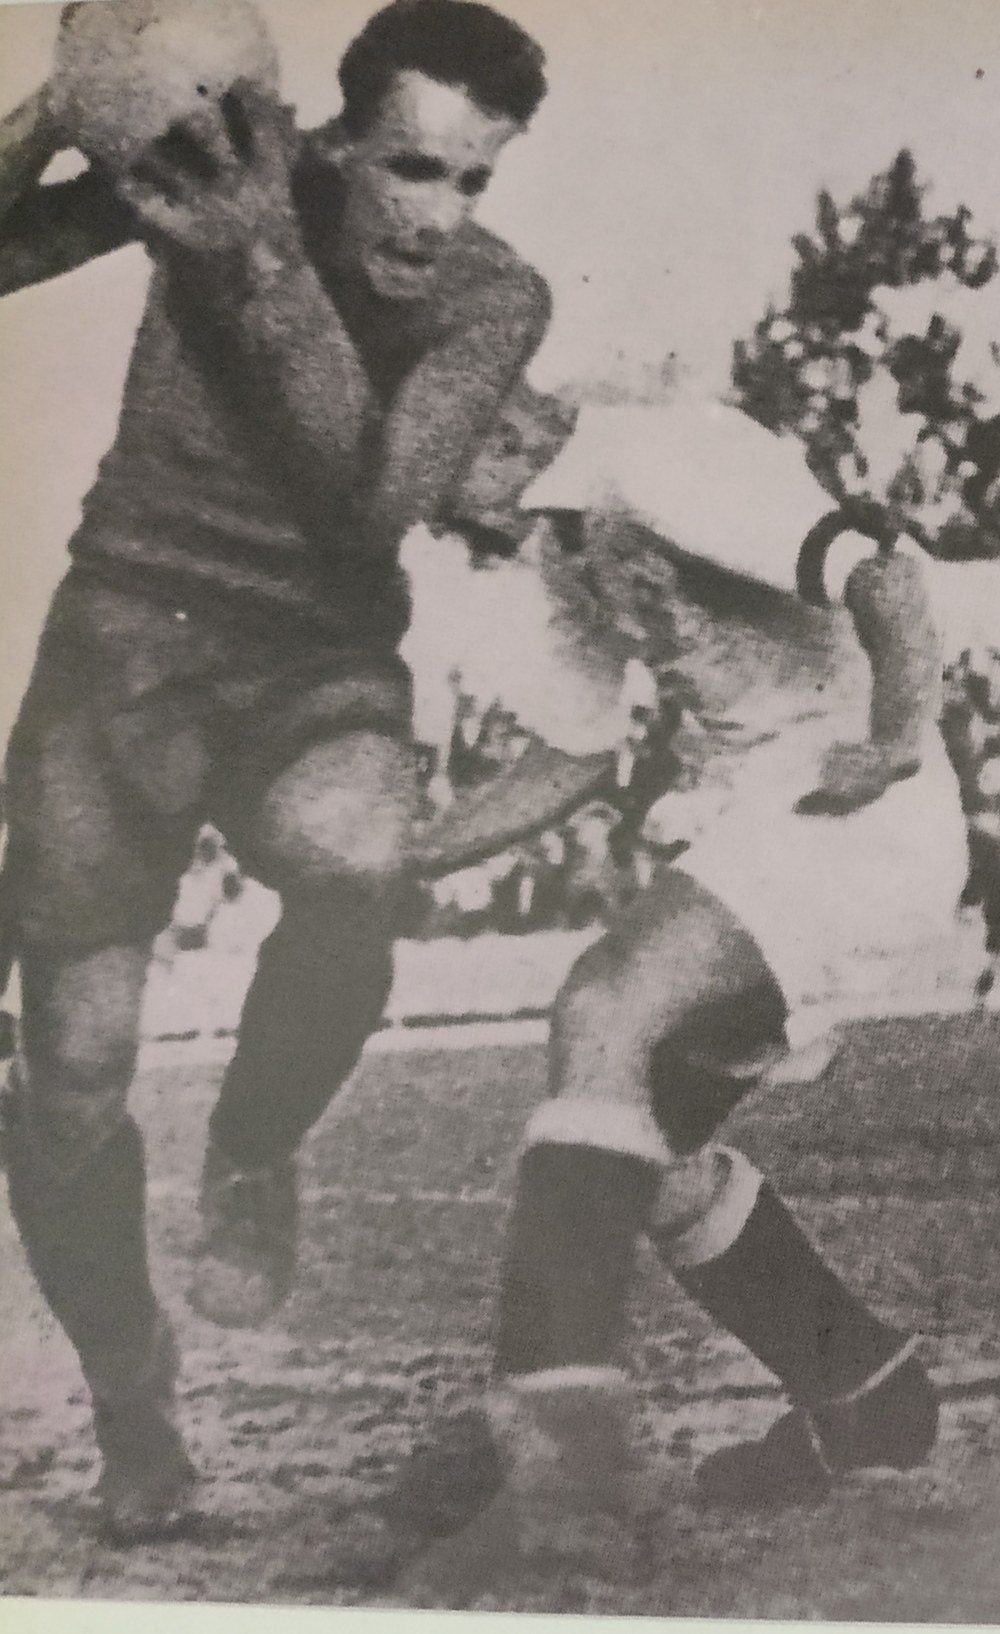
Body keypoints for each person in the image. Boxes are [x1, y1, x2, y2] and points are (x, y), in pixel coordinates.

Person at [0, 0, 551, 1542]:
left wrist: (258, 261)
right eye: (412, 168)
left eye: (473, 179)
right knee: (73, 1075)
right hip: (127, 635)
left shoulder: (495, 298)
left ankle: (250, 1152)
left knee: (363, 851)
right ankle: (134, 1406)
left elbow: (370, 503)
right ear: (333, 138)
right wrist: (66, 112)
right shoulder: (220, 172)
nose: (440, 217)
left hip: (319, 650)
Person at [389, 407, 968, 1599]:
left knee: (602, 1007)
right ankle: (863, 1386)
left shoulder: (650, 457)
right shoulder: (556, 537)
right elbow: (574, 754)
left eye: (438, 490)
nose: (441, 525)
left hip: (848, 816)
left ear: (489, 421)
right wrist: (406, 858)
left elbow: (885, 577)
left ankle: (558, 1475)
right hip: (775, 818)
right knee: (642, 1146)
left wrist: (893, 743)